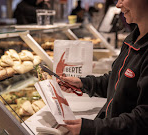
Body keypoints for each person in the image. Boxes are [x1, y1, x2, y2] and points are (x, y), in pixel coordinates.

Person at [58, 0, 148, 134]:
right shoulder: (132, 38)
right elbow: (117, 82)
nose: (118, 5)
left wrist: (92, 128)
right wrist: (83, 83)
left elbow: (143, 119)